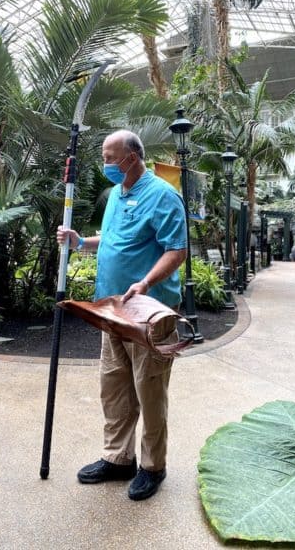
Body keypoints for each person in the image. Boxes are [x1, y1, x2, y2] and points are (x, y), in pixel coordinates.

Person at [57, 130, 187, 501]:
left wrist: (145, 282)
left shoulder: (163, 195)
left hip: (149, 312)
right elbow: (114, 240)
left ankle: (153, 467)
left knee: (150, 390)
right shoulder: (117, 193)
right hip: (110, 308)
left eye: (110, 158)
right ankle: (118, 458)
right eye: (104, 157)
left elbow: (176, 250)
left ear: (132, 157)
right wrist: (80, 242)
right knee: (114, 387)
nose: (106, 164)